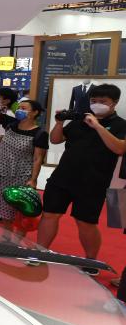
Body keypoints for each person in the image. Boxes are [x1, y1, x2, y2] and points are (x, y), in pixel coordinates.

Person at [37, 84, 126, 263]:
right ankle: (40, 253)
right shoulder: (79, 120)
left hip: (93, 182)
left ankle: (90, 261)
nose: (97, 104)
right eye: (94, 100)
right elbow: (55, 139)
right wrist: (59, 122)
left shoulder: (120, 124)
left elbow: (119, 149)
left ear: (114, 103)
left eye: (103, 101)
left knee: (85, 222)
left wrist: (98, 127)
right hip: (62, 177)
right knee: (49, 214)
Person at [0, 99, 48, 233]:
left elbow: (38, 158)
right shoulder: (11, 124)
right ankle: (5, 236)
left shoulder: (40, 134)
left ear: (35, 112)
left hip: (21, 174)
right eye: (19, 107)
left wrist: (33, 179)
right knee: (3, 206)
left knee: (20, 209)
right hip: (1, 171)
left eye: (24, 108)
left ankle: (18, 240)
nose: (19, 110)